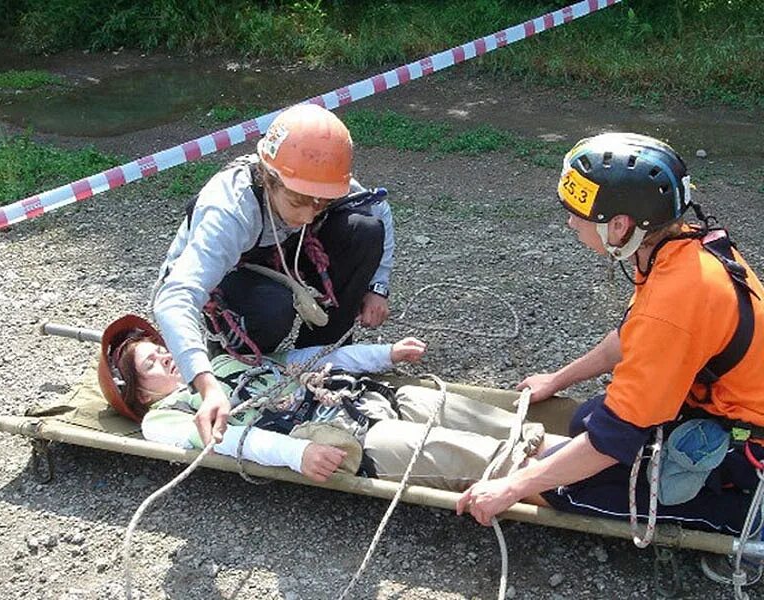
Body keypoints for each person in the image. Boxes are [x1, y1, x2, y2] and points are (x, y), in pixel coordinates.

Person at [456, 133, 764, 542]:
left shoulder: (674, 300)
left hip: (746, 446)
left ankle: (747, 517)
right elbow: (630, 336)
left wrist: (513, 487)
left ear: (621, 225)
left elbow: (616, 435)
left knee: (560, 486)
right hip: (720, 409)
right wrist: (558, 379)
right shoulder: (677, 248)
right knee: (584, 420)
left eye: (581, 214)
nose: (571, 222)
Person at [152, 104, 395, 448]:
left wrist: (378, 286)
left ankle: (318, 358)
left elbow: (378, 207)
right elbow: (174, 297)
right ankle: (237, 363)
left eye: (321, 203)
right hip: (231, 279)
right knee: (272, 306)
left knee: (363, 230)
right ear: (269, 178)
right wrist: (205, 384)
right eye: (300, 202)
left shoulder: (314, 183)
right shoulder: (229, 209)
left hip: (283, 256)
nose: (311, 213)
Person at [97, 314, 565, 490]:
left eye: (163, 351)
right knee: (465, 451)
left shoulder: (222, 365)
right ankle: (581, 473)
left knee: (459, 411)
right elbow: (228, 439)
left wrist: (384, 353)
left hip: (360, 397)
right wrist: (297, 454)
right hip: (347, 439)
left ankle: (581, 447)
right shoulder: (164, 420)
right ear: (138, 394)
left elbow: (307, 358)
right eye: (153, 365)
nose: (167, 359)